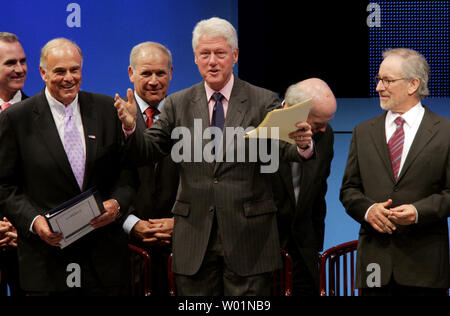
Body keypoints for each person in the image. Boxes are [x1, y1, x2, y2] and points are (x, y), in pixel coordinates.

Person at [115, 17, 314, 296]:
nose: (212, 61)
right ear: (195, 58)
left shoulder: (263, 100)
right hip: (194, 238)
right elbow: (147, 150)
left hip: (249, 240)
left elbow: (286, 149)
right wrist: (129, 127)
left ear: (235, 55)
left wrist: (304, 144)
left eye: (220, 53)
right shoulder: (177, 103)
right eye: (205, 54)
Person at [0, 38, 138, 296]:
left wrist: (116, 204)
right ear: (43, 73)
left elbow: (128, 172)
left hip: (104, 262)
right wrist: (34, 221)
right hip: (47, 262)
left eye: (75, 70)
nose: (69, 78)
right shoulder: (16, 119)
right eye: (60, 71)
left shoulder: (106, 108)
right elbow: (5, 186)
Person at [340, 48, 449, 296]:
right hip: (374, 269)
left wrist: (418, 211)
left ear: (413, 85)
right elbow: (348, 190)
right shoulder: (363, 132)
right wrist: (368, 211)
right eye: (379, 80)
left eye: (387, 80)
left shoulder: (445, 132)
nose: (379, 87)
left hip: (425, 270)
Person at [121, 42, 179, 296]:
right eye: (146, 73)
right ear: (131, 73)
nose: (154, 81)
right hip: (125, 253)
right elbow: (99, 184)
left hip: (181, 251)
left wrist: (180, 223)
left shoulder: (192, 119)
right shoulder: (112, 120)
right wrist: (132, 223)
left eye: (160, 73)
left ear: (172, 72)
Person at [272, 78, 336, 296]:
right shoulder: (260, 130)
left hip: (304, 254)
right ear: (293, 111)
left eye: (327, 121)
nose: (324, 129)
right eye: (317, 123)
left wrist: (315, 245)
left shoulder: (325, 136)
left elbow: (319, 192)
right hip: (263, 252)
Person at [0, 31, 28, 296]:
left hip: (31, 243)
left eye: (23, 61)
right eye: (10, 63)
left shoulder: (43, 113)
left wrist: (25, 227)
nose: (20, 69)